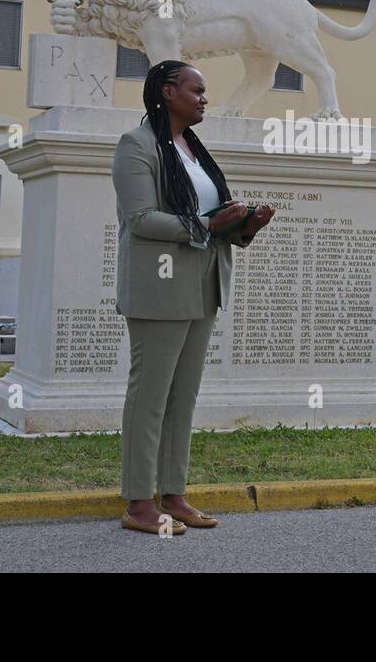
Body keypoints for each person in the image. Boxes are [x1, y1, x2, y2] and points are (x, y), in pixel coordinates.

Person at [111, 59, 275, 535]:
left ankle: (174, 495)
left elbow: (211, 218)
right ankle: (139, 504)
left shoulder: (193, 150)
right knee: (150, 398)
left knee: (183, 398)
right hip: (159, 290)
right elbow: (140, 218)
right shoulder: (136, 145)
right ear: (166, 91)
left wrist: (245, 224)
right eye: (196, 90)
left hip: (204, 285)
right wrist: (205, 224)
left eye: (204, 92)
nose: (204, 98)